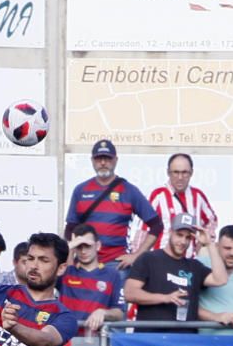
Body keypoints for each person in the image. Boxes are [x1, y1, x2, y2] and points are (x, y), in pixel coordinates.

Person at [64, 140, 162, 270]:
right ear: (92, 161)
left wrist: (136, 256)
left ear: (116, 160)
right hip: (84, 263)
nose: (103, 163)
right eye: (99, 159)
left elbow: (156, 225)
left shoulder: (129, 191)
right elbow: (70, 229)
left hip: (115, 265)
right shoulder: (80, 190)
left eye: (107, 159)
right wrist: (70, 260)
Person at [124, 214, 227, 332]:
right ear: (170, 232)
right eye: (179, 235)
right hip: (151, 341)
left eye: (188, 237)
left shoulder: (194, 266)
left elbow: (221, 279)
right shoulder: (148, 259)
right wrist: (166, 298)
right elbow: (129, 293)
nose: (183, 241)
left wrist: (209, 245)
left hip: (184, 342)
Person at [133, 153, 217, 259]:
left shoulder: (198, 196)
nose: (180, 177)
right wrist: (136, 258)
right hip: (161, 262)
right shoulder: (158, 195)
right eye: (176, 172)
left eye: (184, 172)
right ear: (168, 172)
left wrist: (200, 244)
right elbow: (143, 230)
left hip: (189, 263)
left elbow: (212, 220)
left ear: (191, 173)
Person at [59, 224, 125, 335]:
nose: (83, 251)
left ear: (98, 245)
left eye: (88, 246)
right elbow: (46, 271)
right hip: (65, 340)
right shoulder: (65, 272)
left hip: (96, 342)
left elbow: (119, 313)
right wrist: (69, 246)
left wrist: (103, 312)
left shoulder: (113, 275)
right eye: (79, 247)